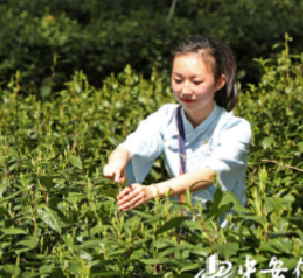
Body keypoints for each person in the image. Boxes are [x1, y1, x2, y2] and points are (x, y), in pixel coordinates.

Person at [103, 36, 251, 226]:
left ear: (219, 82)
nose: (185, 90)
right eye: (178, 80)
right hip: (183, 233)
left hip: (226, 234)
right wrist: (117, 163)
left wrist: (152, 191)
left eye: (196, 82)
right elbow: (130, 146)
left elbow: (210, 175)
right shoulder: (166, 117)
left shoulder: (235, 128)